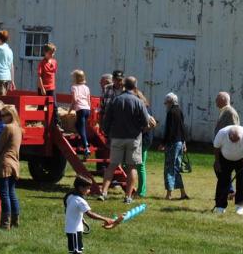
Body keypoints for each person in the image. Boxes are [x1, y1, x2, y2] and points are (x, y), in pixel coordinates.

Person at [100, 76, 149, 204]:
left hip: (117, 137)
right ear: (135, 86)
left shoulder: (116, 100)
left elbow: (107, 119)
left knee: (112, 166)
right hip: (133, 138)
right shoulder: (139, 102)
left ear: (124, 85)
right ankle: (128, 196)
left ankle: (103, 192)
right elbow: (145, 122)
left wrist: (106, 132)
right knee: (132, 167)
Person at [64, 176, 119, 254]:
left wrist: (81, 219)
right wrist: (106, 219)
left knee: (76, 251)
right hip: (74, 230)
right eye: (88, 188)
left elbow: (71, 209)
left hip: (70, 228)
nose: (89, 190)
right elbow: (90, 214)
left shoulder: (70, 195)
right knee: (77, 252)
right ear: (80, 188)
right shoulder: (80, 200)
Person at [0, 104, 23, 228]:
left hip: (4, 164)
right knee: (11, 193)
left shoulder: (7, 128)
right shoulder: (18, 128)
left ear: (10, 115)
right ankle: (15, 220)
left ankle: (5, 223)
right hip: (14, 163)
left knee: (4, 194)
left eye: (3, 115)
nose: (1, 118)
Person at [212, 124, 243, 215]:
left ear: (241, 136)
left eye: (236, 140)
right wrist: (217, 161)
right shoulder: (222, 133)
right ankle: (220, 206)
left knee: (241, 182)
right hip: (224, 158)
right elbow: (216, 148)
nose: (234, 143)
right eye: (232, 140)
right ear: (228, 135)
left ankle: (240, 206)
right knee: (222, 181)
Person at [160, 92, 189, 200]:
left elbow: (169, 130)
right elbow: (182, 128)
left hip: (172, 143)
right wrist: (184, 142)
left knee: (169, 168)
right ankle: (182, 193)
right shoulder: (180, 111)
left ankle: (169, 194)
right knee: (176, 168)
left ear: (170, 102)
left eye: (166, 102)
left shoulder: (171, 112)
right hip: (180, 142)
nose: (165, 104)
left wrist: (163, 143)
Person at [214, 91, 240, 200]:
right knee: (220, 169)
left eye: (217, 99)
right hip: (222, 145)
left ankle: (229, 191)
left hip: (227, 147)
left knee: (221, 169)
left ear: (223, 100)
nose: (215, 101)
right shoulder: (224, 111)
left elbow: (235, 129)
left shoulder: (230, 112)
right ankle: (229, 190)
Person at [69, 71, 92, 156]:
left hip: (80, 110)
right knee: (78, 126)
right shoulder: (86, 88)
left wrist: (70, 109)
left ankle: (86, 146)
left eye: (73, 77)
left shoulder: (74, 87)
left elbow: (74, 100)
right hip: (87, 109)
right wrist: (89, 109)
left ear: (76, 78)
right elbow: (89, 101)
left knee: (81, 129)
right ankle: (83, 142)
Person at [37, 42, 59, 116]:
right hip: (43, 88)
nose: (51, 55)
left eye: (53, 53)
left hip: (51, 87)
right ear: (45, 53)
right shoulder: (42, 63)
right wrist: (42, 88)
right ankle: (37, 122)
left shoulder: (54, 62)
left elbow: (53, 73)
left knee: (54, 105)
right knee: (41, 105)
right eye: (50, 53)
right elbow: (39, 76)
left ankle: (56, 124)